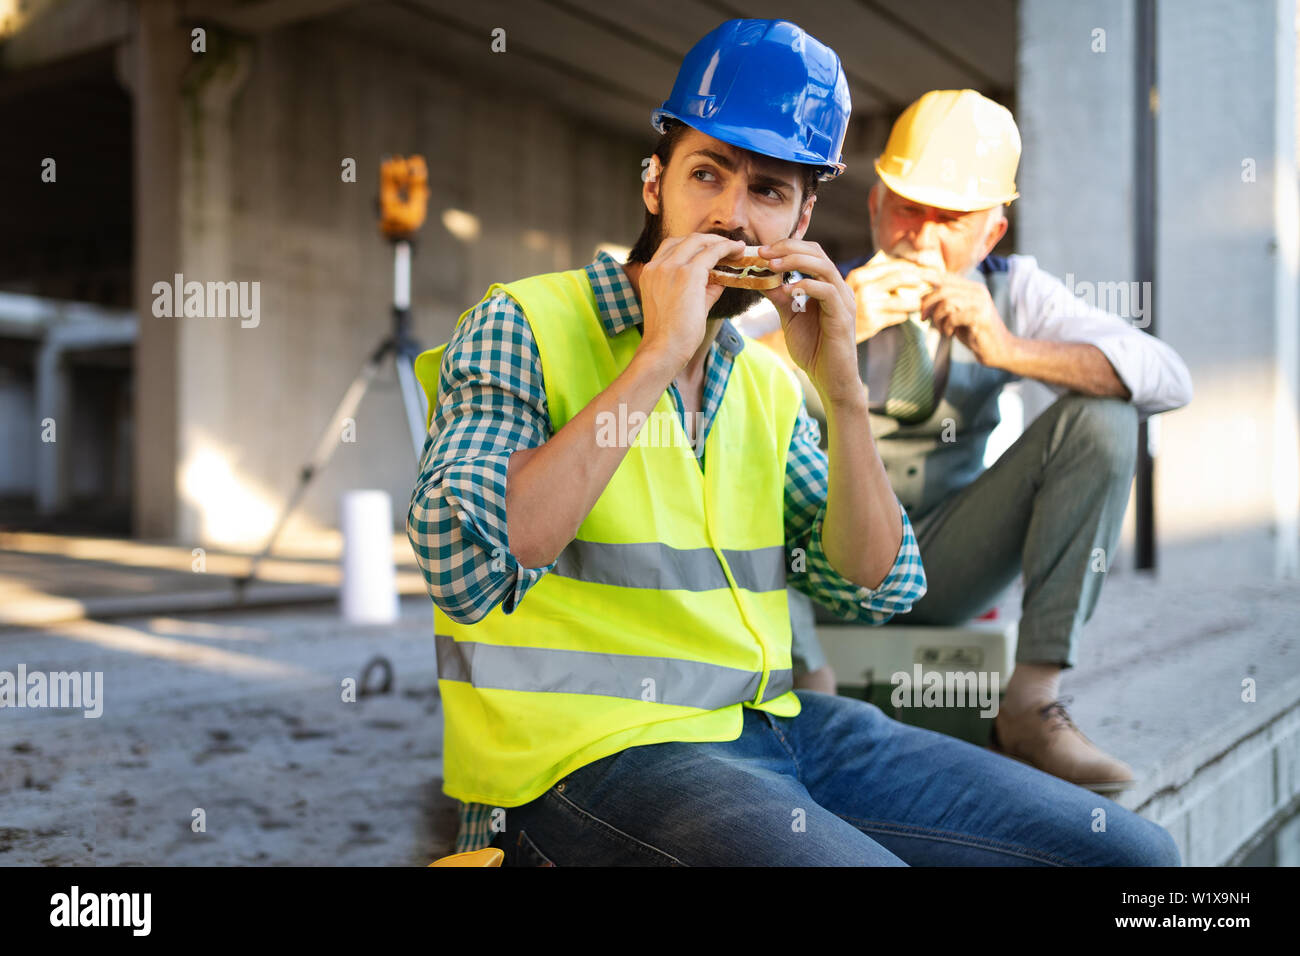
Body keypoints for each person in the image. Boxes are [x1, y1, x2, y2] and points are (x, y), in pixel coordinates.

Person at [409, 23, 1180, 866]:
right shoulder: (522, 322)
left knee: (1134, 859)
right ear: (654, 182)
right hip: (581, 762)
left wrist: (842, 391)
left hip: (773, 728)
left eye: (769, 192)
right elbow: (468, 562)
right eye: (707, 174)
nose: (733, 216)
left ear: (802, 219)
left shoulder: (767, 379)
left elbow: (876, 583)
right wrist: (659, 354)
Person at [744, 89, 1194, 794]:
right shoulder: (813, 288)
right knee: (751, 429)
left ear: (990, 233)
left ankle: (1031, 704)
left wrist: (1010, 348)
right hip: (822, 566)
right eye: (906, 209)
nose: (922, 238)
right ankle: (812, 695)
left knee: (1105, 418)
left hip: (947, 558)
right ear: (874, 205)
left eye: (950, 220)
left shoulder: (1017, 292)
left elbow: (1168, 379)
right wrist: (816, 336)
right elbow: (702, 390)